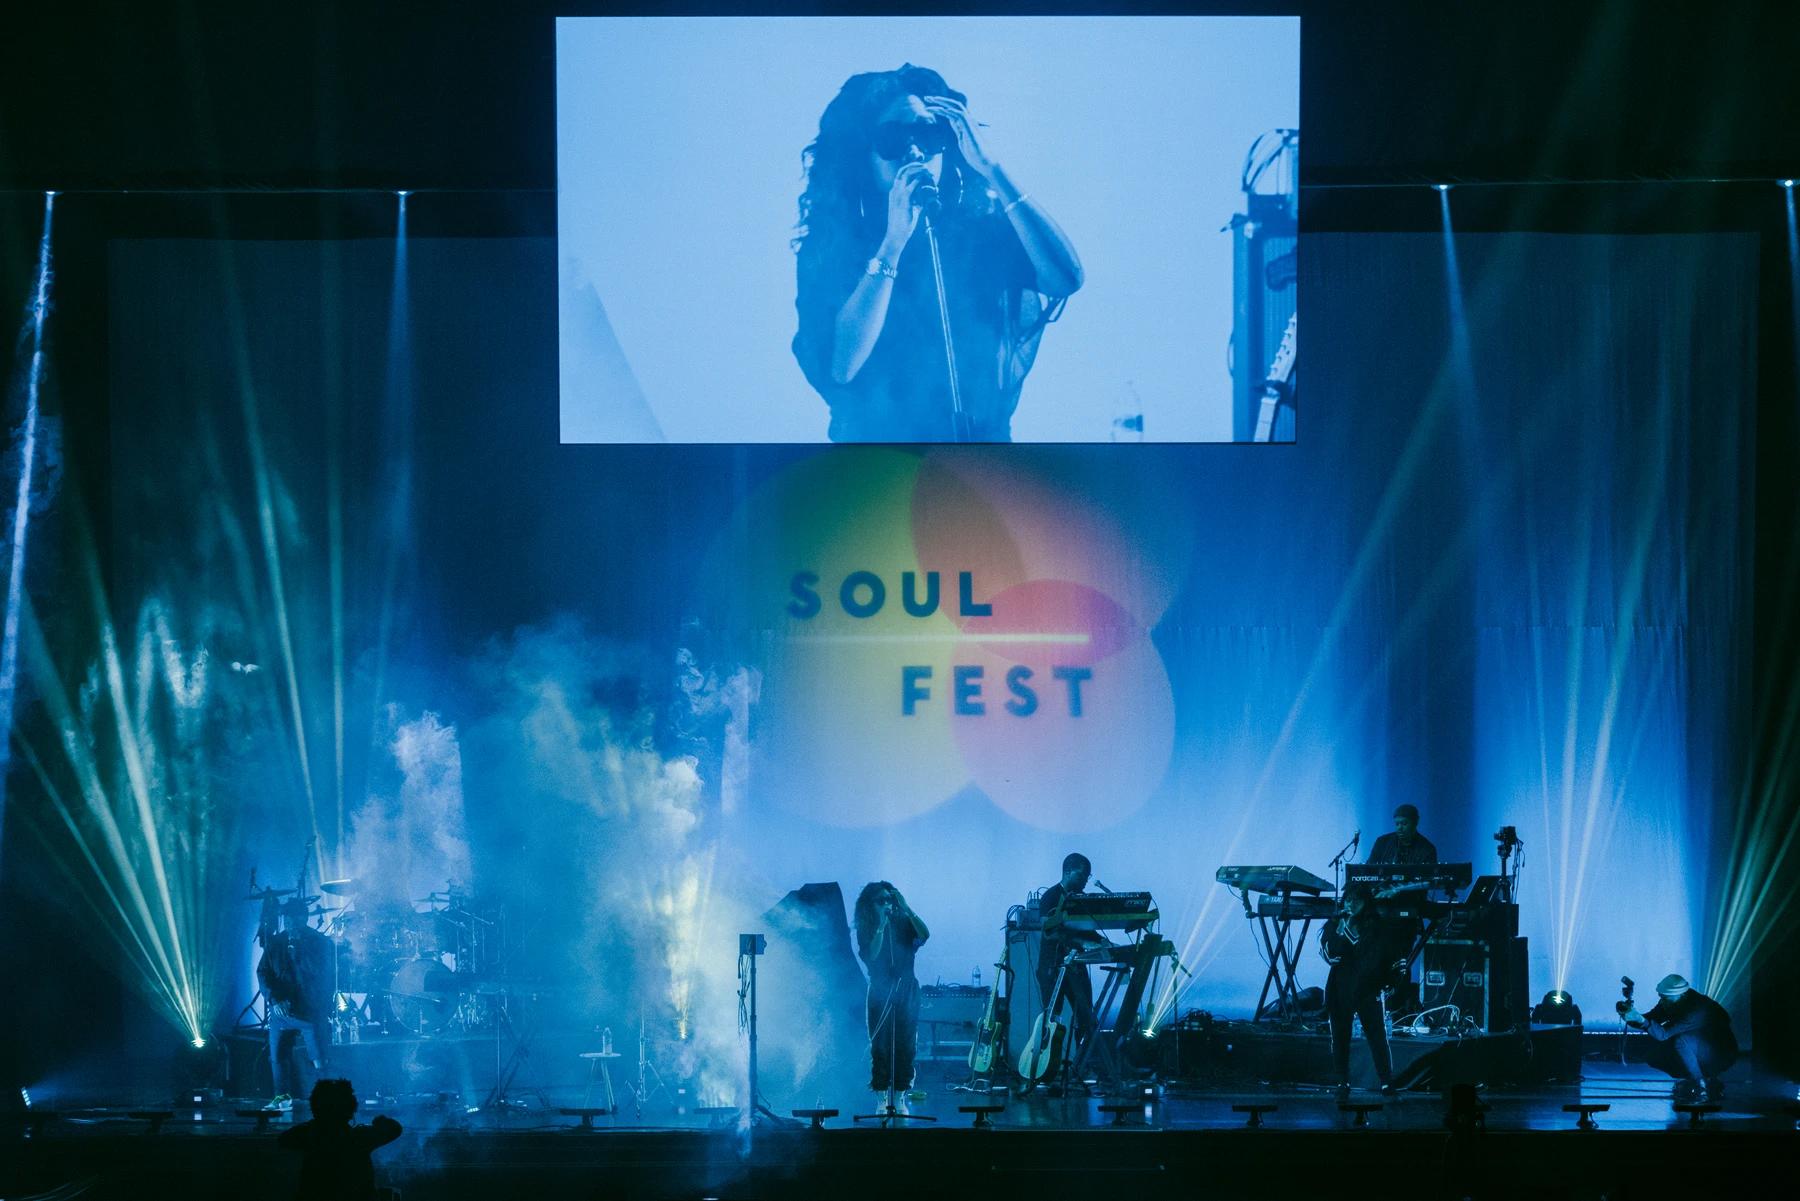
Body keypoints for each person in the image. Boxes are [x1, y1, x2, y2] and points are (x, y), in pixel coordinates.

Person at [792, 64, 1084, 443]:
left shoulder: (982, 230)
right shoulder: (833, 245)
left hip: (982, 463)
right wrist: (892, 244)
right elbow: (841, 365)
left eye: (927, 135)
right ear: (861, 157)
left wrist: (992, 168)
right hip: (879, 460)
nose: (915, 150)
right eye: (894, 137)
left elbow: (1065, 279)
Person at [1319, 883, 1406, 1095]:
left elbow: (1390, 955)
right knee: (1340, 1036)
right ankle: (1342, 1080)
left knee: (1376, 1036)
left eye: (1356, 899)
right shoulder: (1335, 924)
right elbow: (1331, 954)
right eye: (1348, 899)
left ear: (1366, 901)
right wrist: (1342, 929)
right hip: (1342, 986)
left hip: (1368, 986)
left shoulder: (1377, 926)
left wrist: (1393, 981)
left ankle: (1386, 1080)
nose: (1351, 904)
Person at [853, 881, 931, 1110]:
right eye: (881, 901)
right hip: (880, 990)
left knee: (906, 1044)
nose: (887, 905)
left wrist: (906, 908)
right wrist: (880, 926)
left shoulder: (903, 922)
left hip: (906, 989)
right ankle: (881, 1097)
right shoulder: (865, 927)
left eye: (890, 899)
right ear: (870, 905)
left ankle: (899, 1095)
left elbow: (925, 935)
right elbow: (871, 956)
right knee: (880, 1045)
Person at [258, 899, 335, 1108]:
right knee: (278, 1057)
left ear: (304, 917)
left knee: (319, 1057)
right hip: (281, 1010)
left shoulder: (320, 942)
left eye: (295, 917)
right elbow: (263, 972)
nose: (290, 922)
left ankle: (326, 1100)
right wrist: (274, 999)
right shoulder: (275, 942)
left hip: (310, 1010)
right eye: (287, 918)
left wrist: (299, 950)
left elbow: (322, 975)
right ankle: (281, 1098)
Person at [276, 1078, 402, 1201]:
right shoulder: (359, 1137)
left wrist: (315, 1123)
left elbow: (283, 1139)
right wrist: (380, 1120)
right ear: (351, 1107)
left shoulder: (307, 1133)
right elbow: (395, 1129)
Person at [1620, 973, 1738, 1101]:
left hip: (1720, 1054)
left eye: (1666, 998)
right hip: (1700, 1046)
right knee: (1655, 1054)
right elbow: (1650, 1019)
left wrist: (1639, 1019)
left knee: (1680, 1041)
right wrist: (1630, 1015)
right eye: (1661, 997)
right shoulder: (1671, 1001)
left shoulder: (1697, 1010)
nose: (1662, 1002)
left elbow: (1663, 1034)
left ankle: (1700, 1084)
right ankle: (1700, 1079)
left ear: (1682, 995)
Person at [1036, 853, 1102, 1065]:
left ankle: (1082, 1068)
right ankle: (1046, 1066)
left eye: (1087, 876)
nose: (1085, 880)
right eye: (1082, 874)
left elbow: (1087, 931)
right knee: (1051, 1020)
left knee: (1085, 1017)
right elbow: (1048, 931)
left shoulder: (1080, 899)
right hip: (1052, 967)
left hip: (1076, 967)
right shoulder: (1051, 896)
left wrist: (1103, 943)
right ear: (1067, 871)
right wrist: (1082, 942)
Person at [1367, 804, 1438, 866]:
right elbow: (1369, 870)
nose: (1399, 828)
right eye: (1397, 824)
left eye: (1404, 823)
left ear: (1415, 822)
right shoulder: (1382, 842)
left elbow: (1428, 878)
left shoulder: (1427, 849)